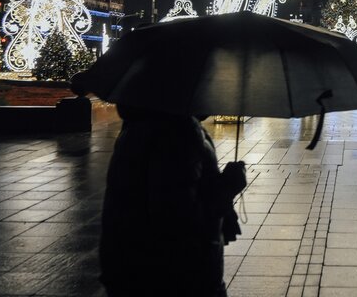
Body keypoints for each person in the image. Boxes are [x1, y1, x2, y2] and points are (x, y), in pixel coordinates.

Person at [99, 105, 247, 296]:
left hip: (132, 268)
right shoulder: (179, 132)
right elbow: (176, 218)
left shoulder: (141, 125)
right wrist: (227, 188)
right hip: (177, 276)